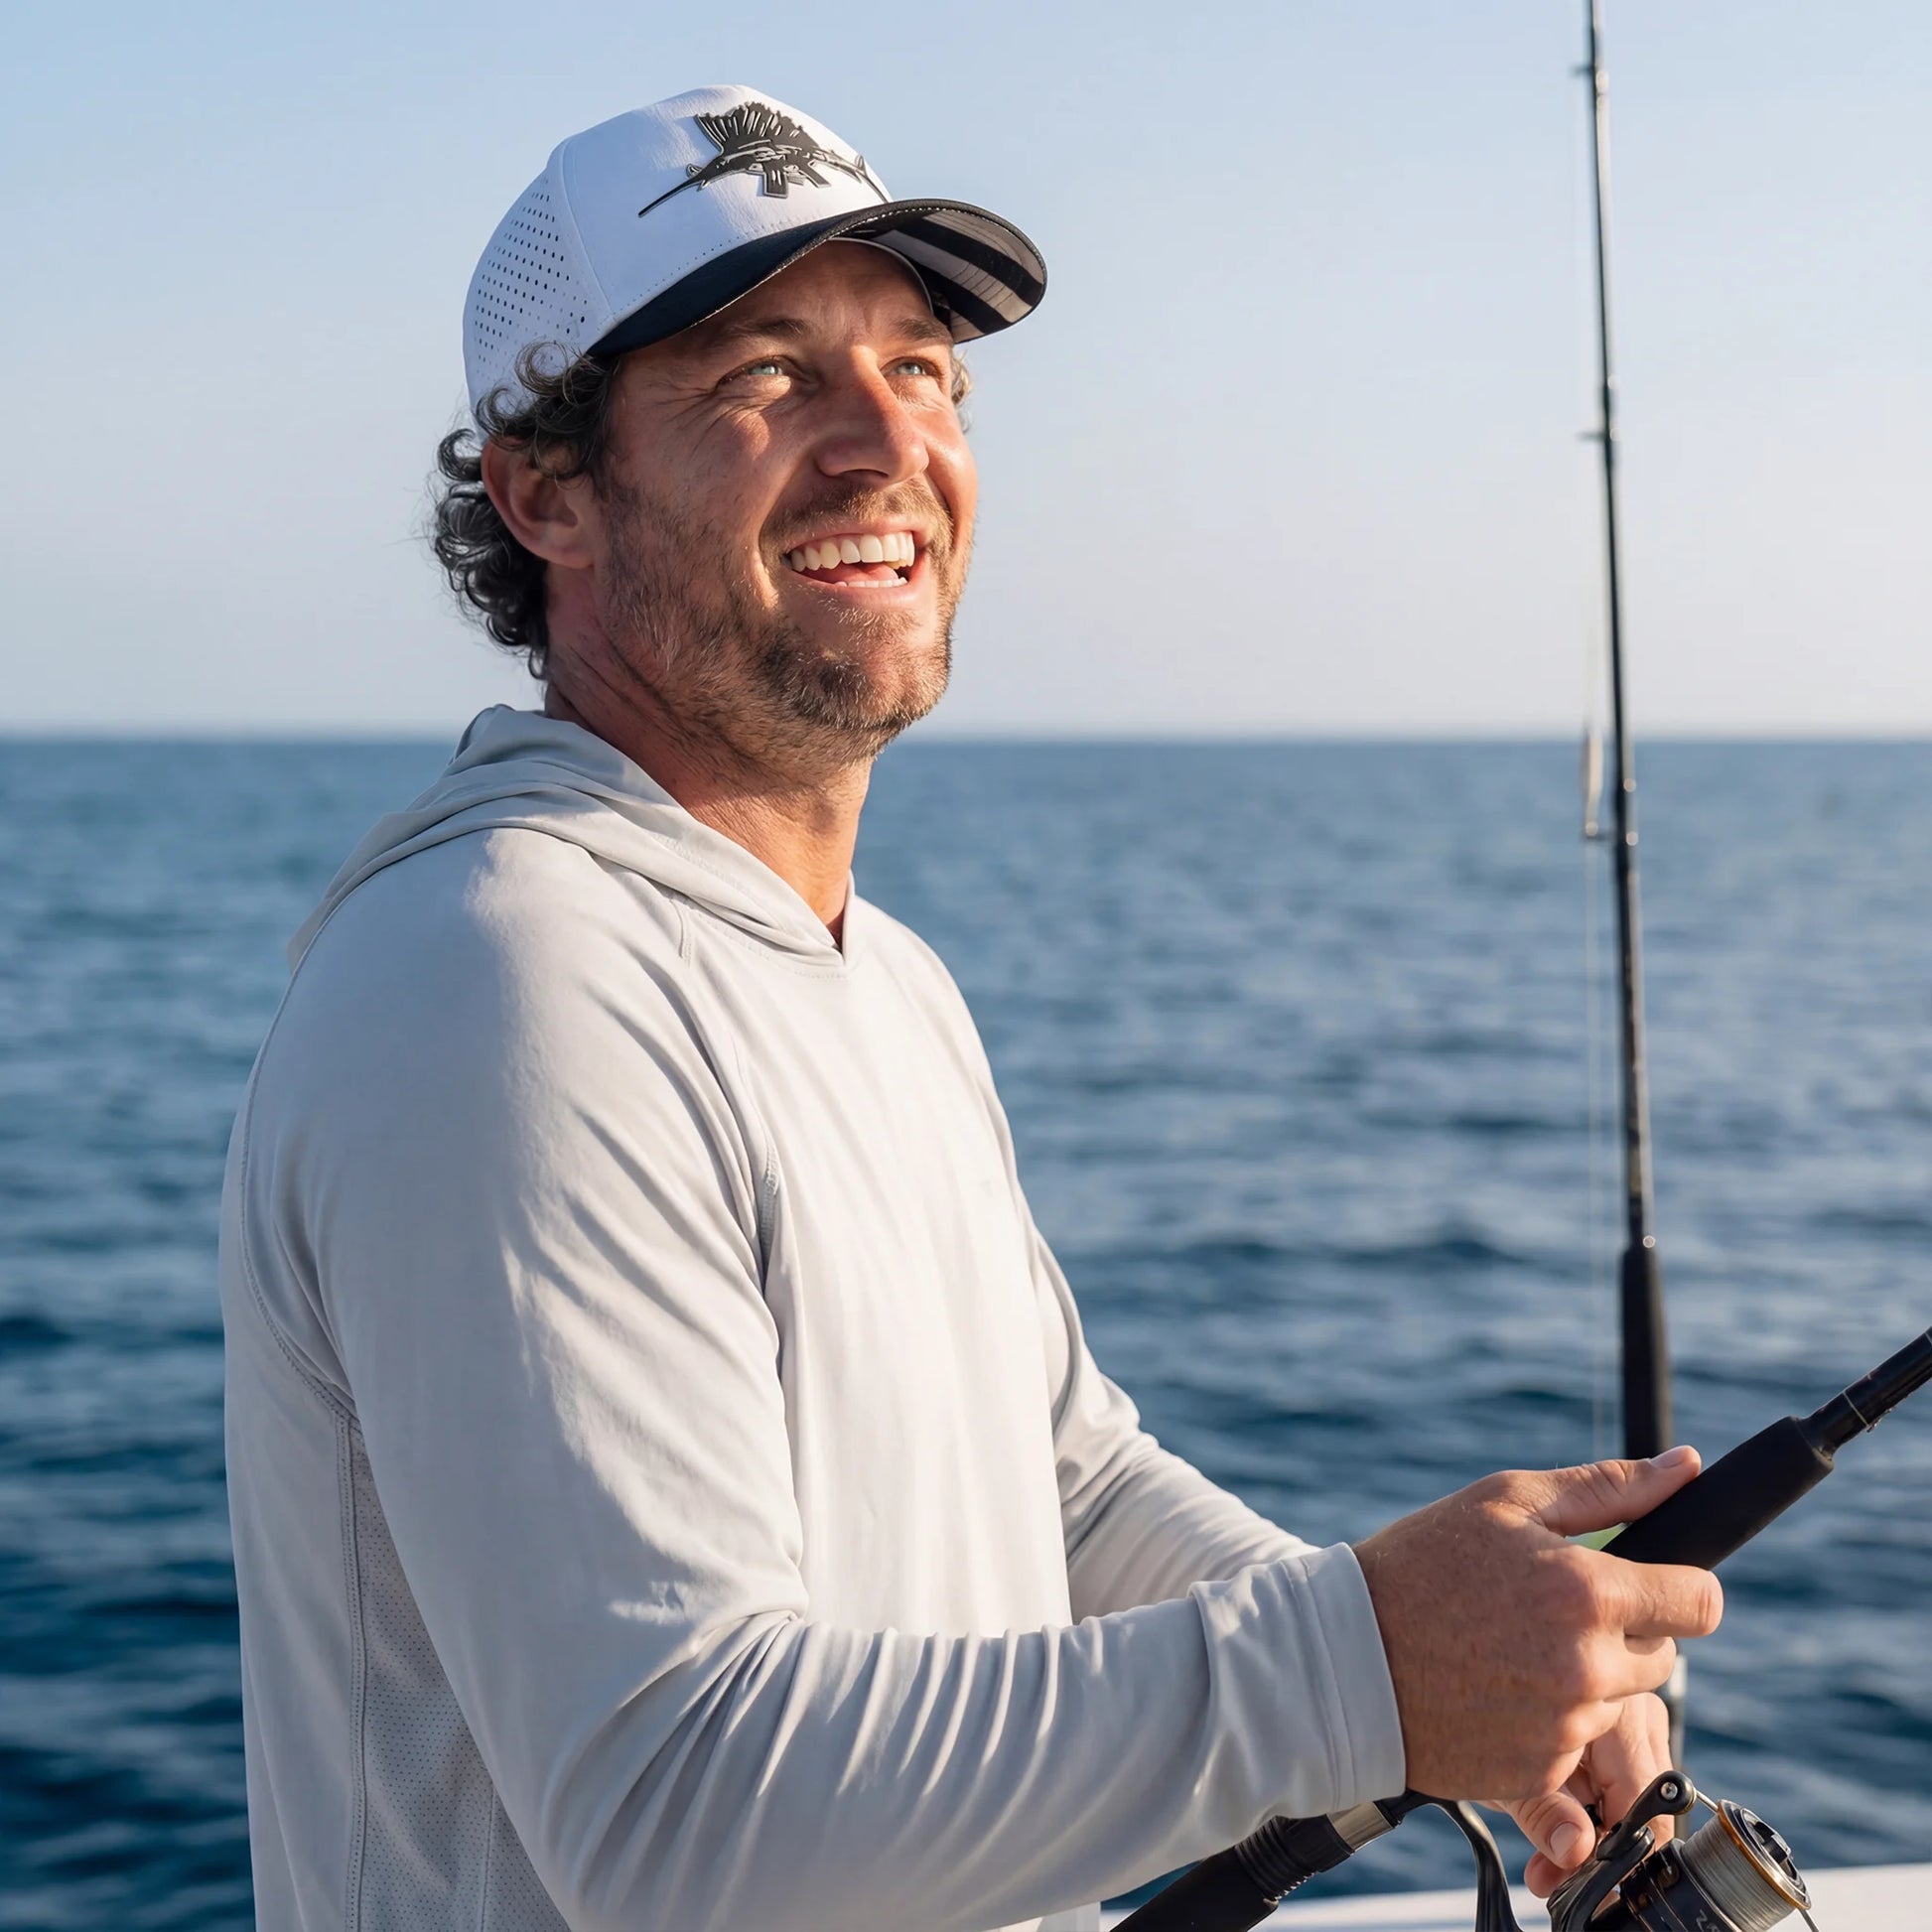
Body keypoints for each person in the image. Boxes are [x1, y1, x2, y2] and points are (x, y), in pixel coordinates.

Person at [219, 86, 1722, 1932]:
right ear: (544, 492)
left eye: (923, 369)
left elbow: (1066, 1489)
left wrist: (1476, 1688)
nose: (883, 443)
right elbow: (676, 1810)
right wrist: (1352, 1668)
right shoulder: (499, 975)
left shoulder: (877, 972)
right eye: (763, 374)